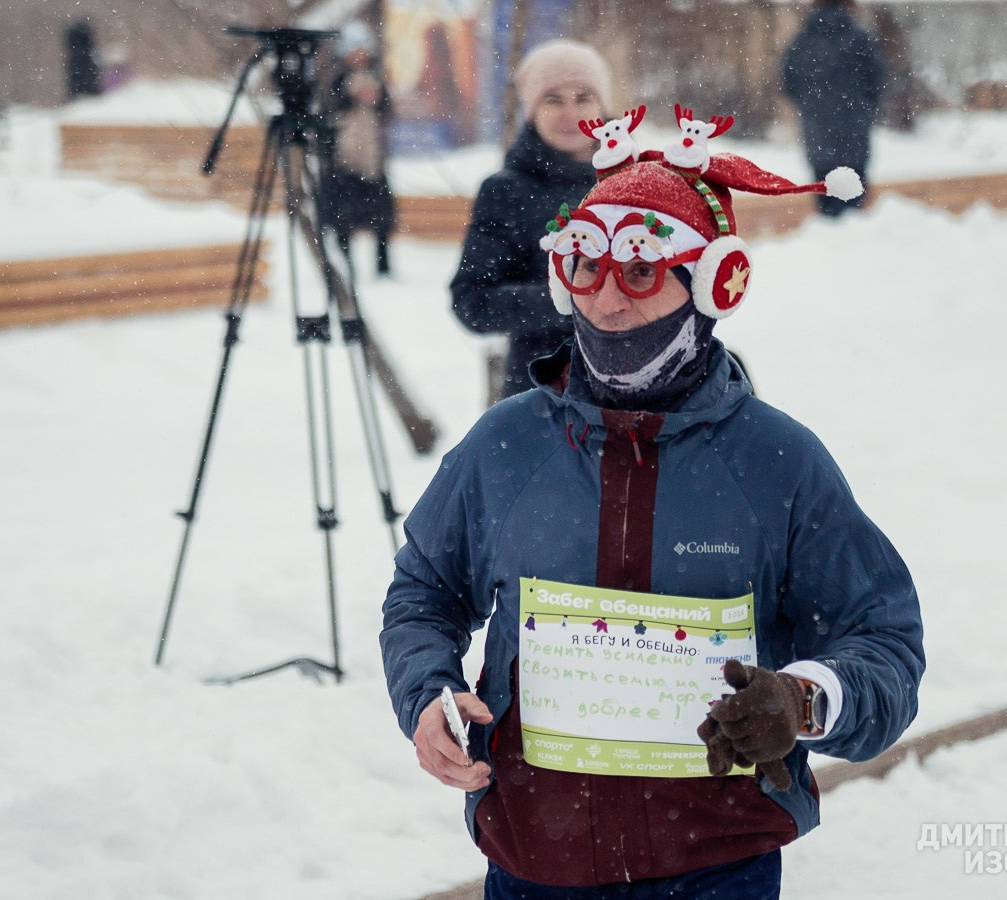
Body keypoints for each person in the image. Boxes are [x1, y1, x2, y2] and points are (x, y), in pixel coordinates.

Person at [381, 103, 924, 898]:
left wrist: (803, 701)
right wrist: (425, 689)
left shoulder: (777, 463)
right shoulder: (506, 448)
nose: (608, 302)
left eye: (641, 271)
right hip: (533, 864)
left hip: (715, 868)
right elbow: (424, 591)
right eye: (585, 271)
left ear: (711, 283)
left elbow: (883, 642)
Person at [450, 39, 609, 401]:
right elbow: (472, 302)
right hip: (542, 395)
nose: (572, 114)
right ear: (531, 111)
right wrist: (567, 299)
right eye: (553, 100)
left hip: (641, 393)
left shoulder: (637, 181)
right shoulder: (506, 191)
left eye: (583, 97)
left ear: (603, 105)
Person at [781, 0, 886, 217]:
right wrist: (863, 106)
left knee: (825, 187)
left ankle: (829, 228)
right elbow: (877, 80)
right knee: (854, 188)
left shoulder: (802, 41)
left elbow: (788, 83)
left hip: (817, 129)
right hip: (854, 127)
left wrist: (810, 104)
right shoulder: (859, 39)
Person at [327, 21, 396, 276]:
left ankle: (383, 266)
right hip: (345, 160)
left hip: (373, 160)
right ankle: (346, 265)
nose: (359, 56)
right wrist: (350, 97)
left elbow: (387, 111)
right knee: (344, 219)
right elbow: (330, 111)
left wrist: (376, 100)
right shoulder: (335, 81)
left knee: (382, 219)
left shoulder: (377, 80)